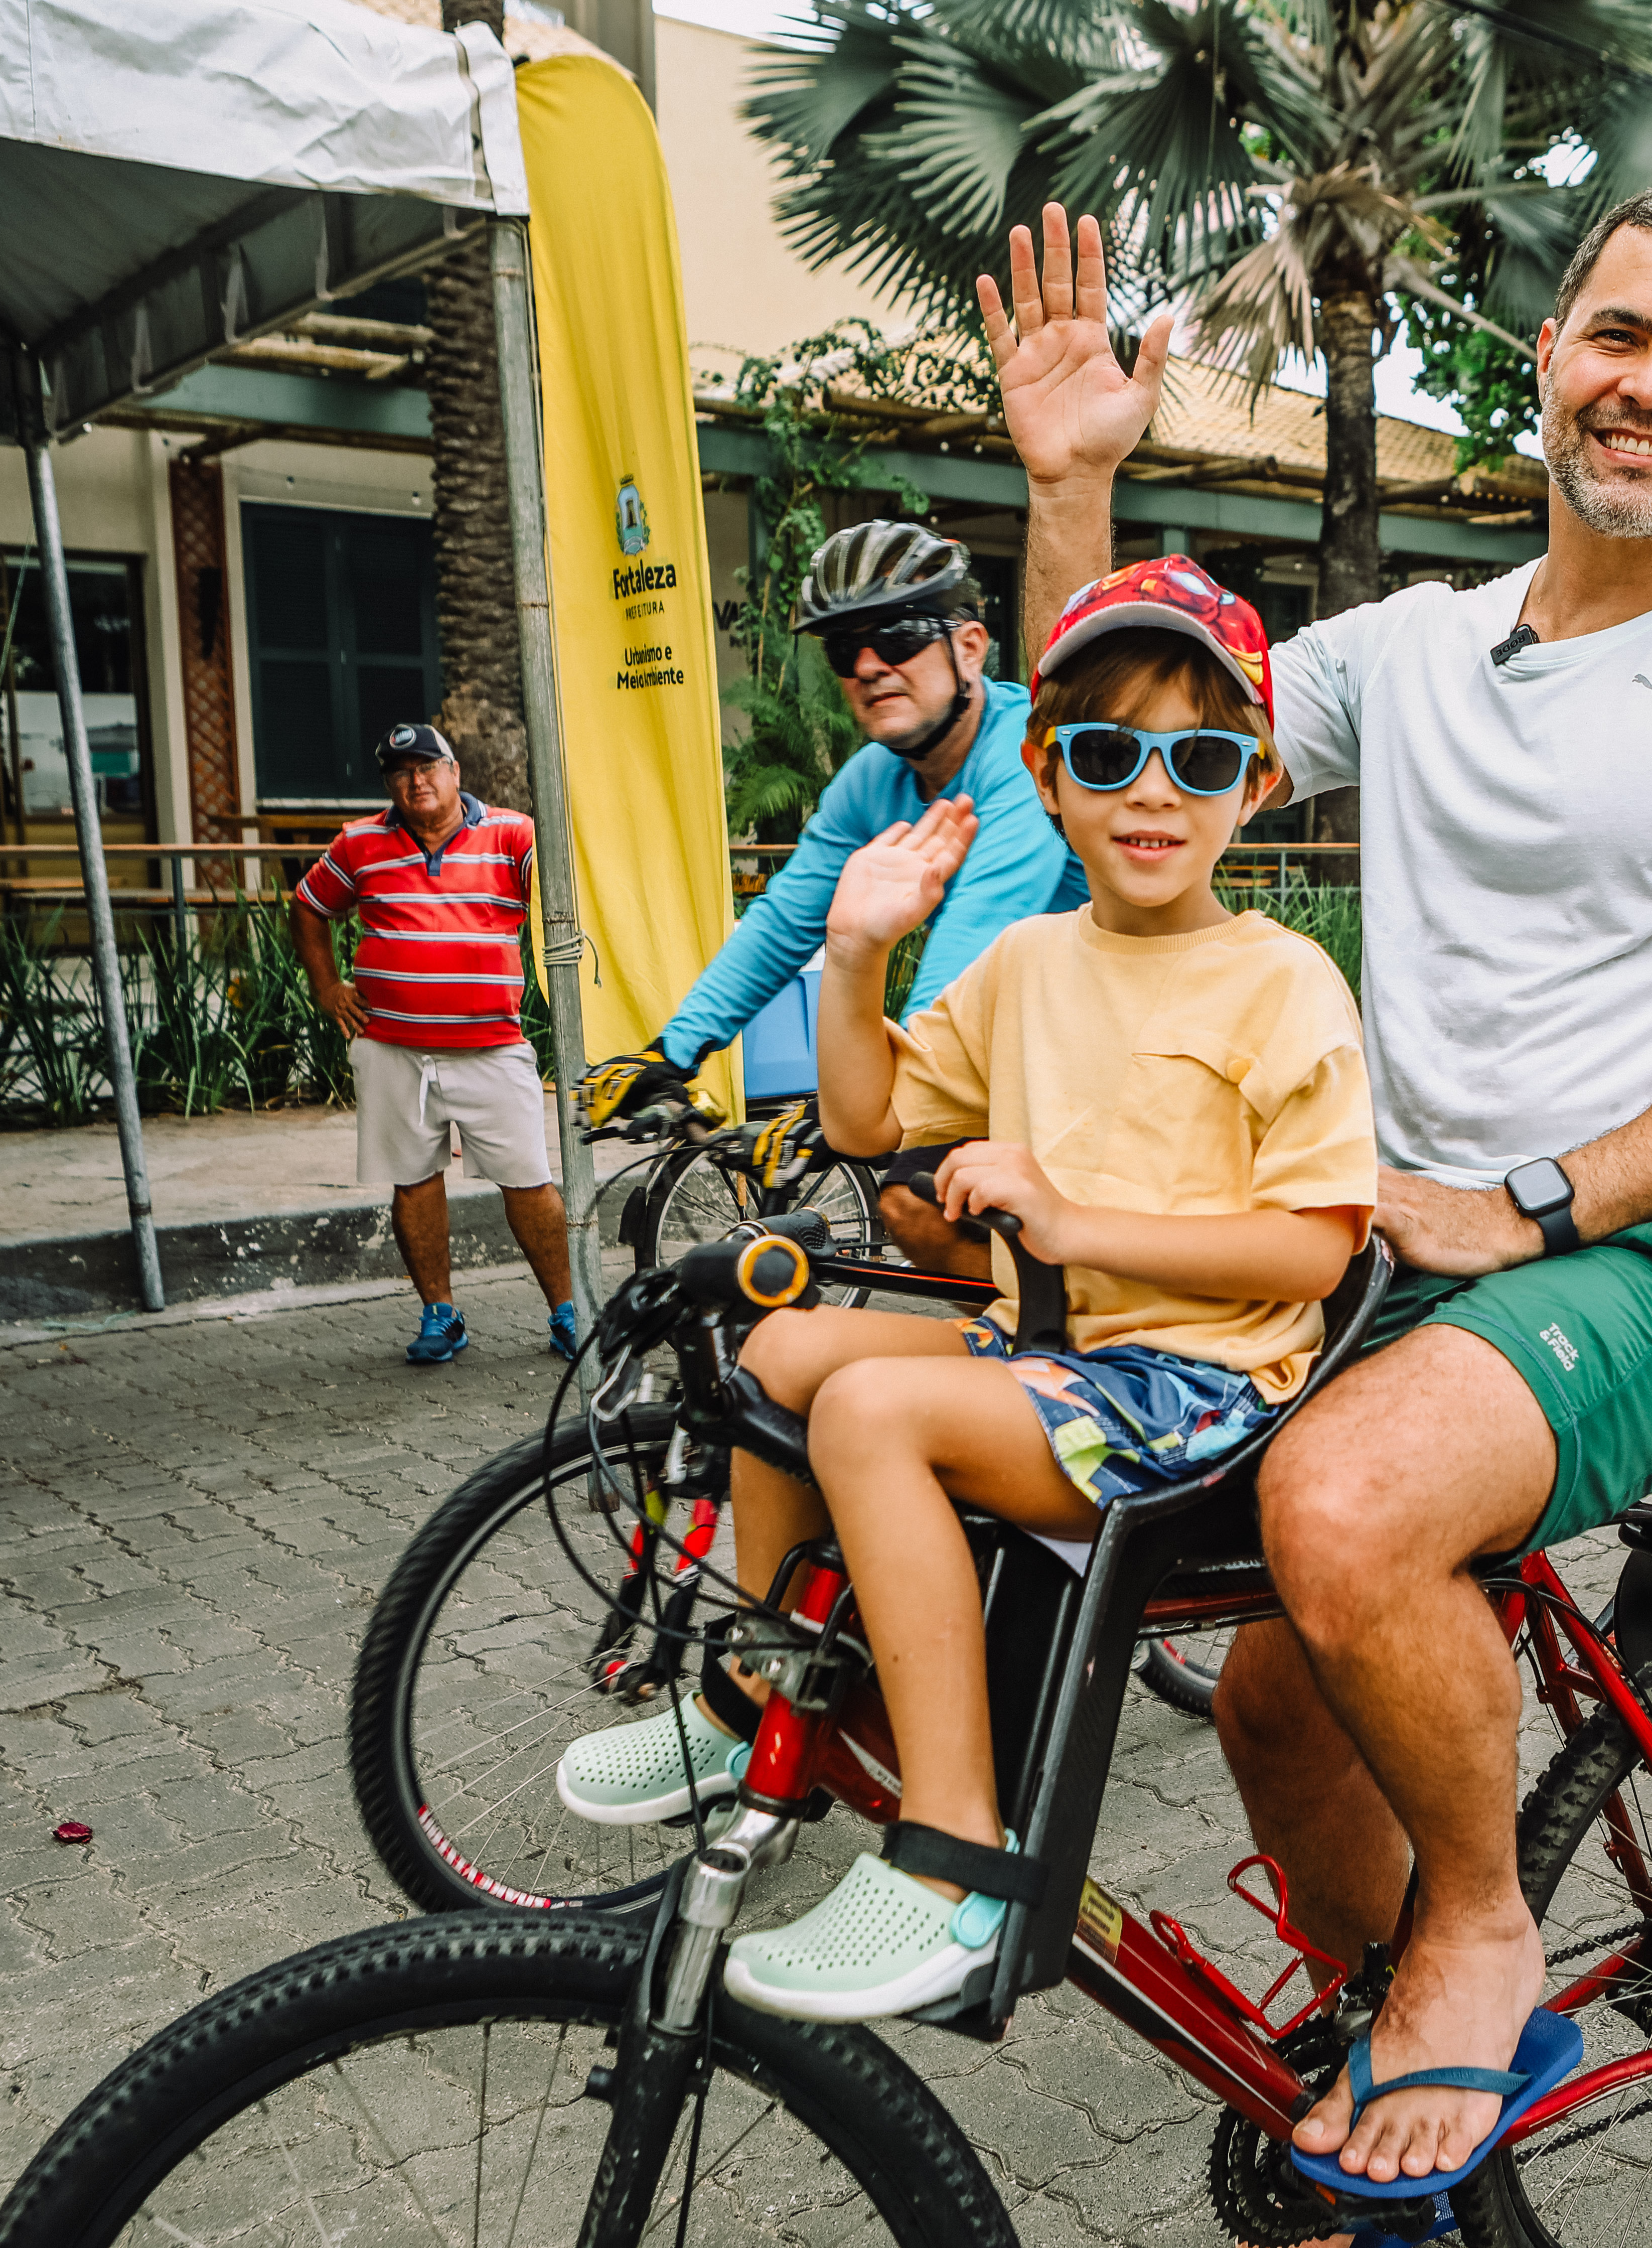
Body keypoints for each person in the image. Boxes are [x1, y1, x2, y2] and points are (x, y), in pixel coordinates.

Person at [987, 184, 1652, 2192]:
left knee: (1341, 1505)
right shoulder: (1411, 654)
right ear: (1545, 355)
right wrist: (1069, 490)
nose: (1651, 387)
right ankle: (1380, 2037)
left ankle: (1482, 1935)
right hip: (1409, 1245)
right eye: (1621, 335)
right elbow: (1127, 753)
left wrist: (1536, 1194)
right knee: (1266, 1687)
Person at [553, 558, 1376, 2023]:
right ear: (1048, 776)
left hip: (1200, 1392)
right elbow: (870, 1120)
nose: (1151, 792)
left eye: (1196, 758)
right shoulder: (1025, 960)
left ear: (1253, 787)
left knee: (871, 1410)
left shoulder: (1281, 979)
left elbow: (1315, 1248)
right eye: (1109, 752)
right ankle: (757, 1685)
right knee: (785, 1340)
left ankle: (950, 1853)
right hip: (1056, 1350)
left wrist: (1069, 1212)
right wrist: (855, 951)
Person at [585, 521, 1084, 1273]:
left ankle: (1073, 1345)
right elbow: (784, 923)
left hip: (1101, 1043)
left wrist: (857, 1101)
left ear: (972, 649)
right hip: (1007, 1050)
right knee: (921, 1208)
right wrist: (673, 1050)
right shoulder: (870, 782)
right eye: (844, 650)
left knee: (936, 1205)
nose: (871, 665)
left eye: (899, 636)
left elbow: (978, 938)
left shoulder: (1022, 757)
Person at [291, 723, 578, 1365]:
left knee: (529, 1179)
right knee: (414, 1180)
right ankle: (440, 1315)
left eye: (427, 767)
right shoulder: (361, 842)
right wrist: (328, 986)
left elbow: (565, 897)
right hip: (393, 1047)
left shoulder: (514, 832)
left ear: (455, 771)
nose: (414, 781)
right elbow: (310, 906)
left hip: (493, 1046)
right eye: (400, 772)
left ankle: (568, 1311)